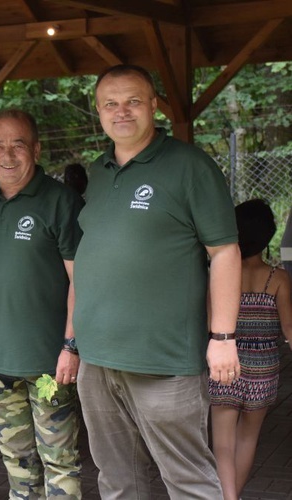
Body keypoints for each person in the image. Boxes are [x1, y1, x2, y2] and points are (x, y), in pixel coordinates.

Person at [72, 64, 242, 498]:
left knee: (186, 480)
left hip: (164, 361)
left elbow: (224, 252)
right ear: (98, 111)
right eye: (110, 103)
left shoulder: (189, 167)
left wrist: (223, 336)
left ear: (153, 105)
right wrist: (72, 343)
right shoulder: (99, 170)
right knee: (116, 479)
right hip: (98, 359)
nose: (121, 111)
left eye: (132, 101)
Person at [0, 109, 84, 499]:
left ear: (35, 149)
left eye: (17, 144)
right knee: (17, 465)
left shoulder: (61, 202)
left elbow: (81, 281)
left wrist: (71, 345)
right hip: (0, 366)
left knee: (60, 462)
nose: (7, 155)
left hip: (51, 364)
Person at [209, 199, 292, 500]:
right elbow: (289, 329)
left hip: (225, 365)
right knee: (247, 439)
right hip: (264, 369)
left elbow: (211, 324)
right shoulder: (279, 279)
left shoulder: (220, 276)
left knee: (223, 444)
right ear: (268, 235)